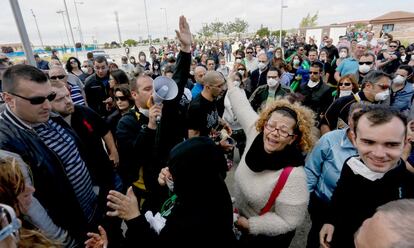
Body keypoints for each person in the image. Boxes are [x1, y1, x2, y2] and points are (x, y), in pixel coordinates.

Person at [0, 64, 108, 245]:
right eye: (37, 100)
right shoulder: (6, 143)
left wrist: (96, 191)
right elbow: (30, 206)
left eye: (49, 97)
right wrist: (62, 240)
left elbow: (78, 157)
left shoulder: (49, 115)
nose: (47, 105)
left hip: (92, 214)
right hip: (69, 233)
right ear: (9, 99)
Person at [85, 137, 236, 247]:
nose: (167, 172)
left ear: (191, 178)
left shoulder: (201, 218)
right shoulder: (202, 190)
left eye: (175, 171)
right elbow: (159, 210)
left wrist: (133, 218)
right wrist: (162, 187)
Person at [226, 73, 317, 247]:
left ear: (293, 138)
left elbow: (289, 220)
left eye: (283, 130)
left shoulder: (294, 175)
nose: (274, 133)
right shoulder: (256, 133)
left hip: (266, 239)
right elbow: (242, 106)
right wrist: (231, 83)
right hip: (238, 224)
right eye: (271, 126)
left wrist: (250, 225)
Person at [319, 105, 414, 248]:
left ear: (405, 142)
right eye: (368, 142)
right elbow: (340, 193)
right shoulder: (351, 165)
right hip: (342, 236)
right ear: (354, 138)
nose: (379, 154)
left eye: (391, 144)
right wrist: (330, 220)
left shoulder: (407, 180)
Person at [304, 102, 365, 248]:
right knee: (317, 240)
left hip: (355, 212)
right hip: (323, 204)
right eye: (356, 117)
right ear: (349, 120)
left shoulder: (374, 147)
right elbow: (311, 169)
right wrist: (308, 200)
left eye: (366, 117)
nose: (361, 121)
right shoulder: (329, 139)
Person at [321, 70, 392, 134]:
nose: (387, 91)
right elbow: (325, 124)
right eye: (383, 87)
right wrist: (331, 145)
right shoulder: (343, 101)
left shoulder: (383, 107)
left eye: (389, 88)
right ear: (368, 85)